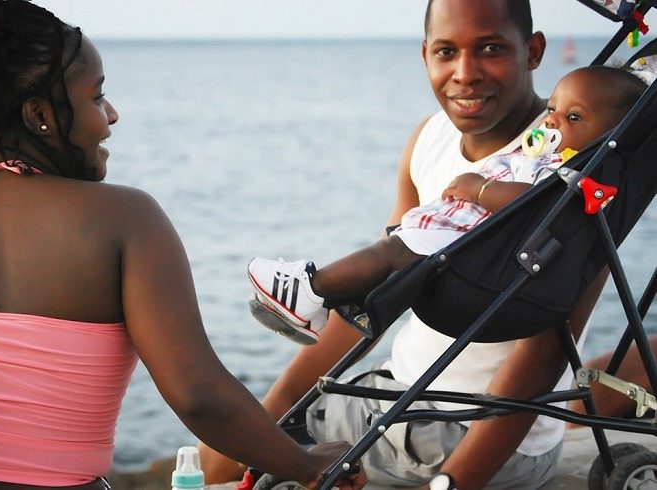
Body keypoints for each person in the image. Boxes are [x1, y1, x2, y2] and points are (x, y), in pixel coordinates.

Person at [0, 2, 367, 489]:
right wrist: (306, 462)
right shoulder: (126, 219)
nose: (111, 115)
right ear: (40, 115)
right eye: (97, 97)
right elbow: (198, 395)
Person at [199, 0, 618, 489]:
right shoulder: (430, 139)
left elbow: (545, 351)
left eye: (490, 48)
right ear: (425, 56)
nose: (465, 73)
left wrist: (455, 481)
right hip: (405, 394)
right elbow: (376, 297)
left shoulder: (563, 168)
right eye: (446, 51)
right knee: (219, 457)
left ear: (533, 50)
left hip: (476, 431)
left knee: (243, 458)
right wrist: (278, 404)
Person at [246, 65, 647, 346]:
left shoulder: (570, 175)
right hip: (467, 241)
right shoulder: (546, 157)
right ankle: (317, 308)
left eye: (573, 116)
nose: (554, 122)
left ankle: (310, 288)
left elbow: (532, 203)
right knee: (390, 254)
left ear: (611, 135)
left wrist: (479, 189)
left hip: (477, 253)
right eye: (553, 109)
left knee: (389, 252)